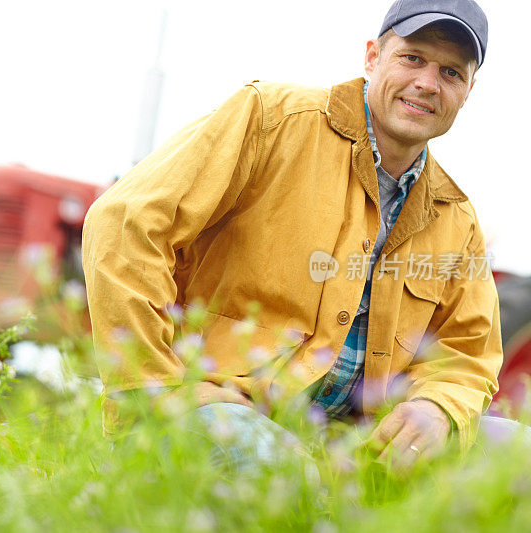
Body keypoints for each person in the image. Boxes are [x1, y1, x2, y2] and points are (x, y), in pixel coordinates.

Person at [82, 0, 530, 472]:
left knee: (517, 457)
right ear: (373, 57)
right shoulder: (268, 119)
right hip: (226, 410)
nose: (427, 83)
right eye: (412, 58)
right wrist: (158, 387)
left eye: (451, 72)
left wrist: (437, 407)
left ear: (468, 90)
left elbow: (468, 352)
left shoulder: (458, 220)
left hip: (362, 450)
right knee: (283, 476)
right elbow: (123, 223)